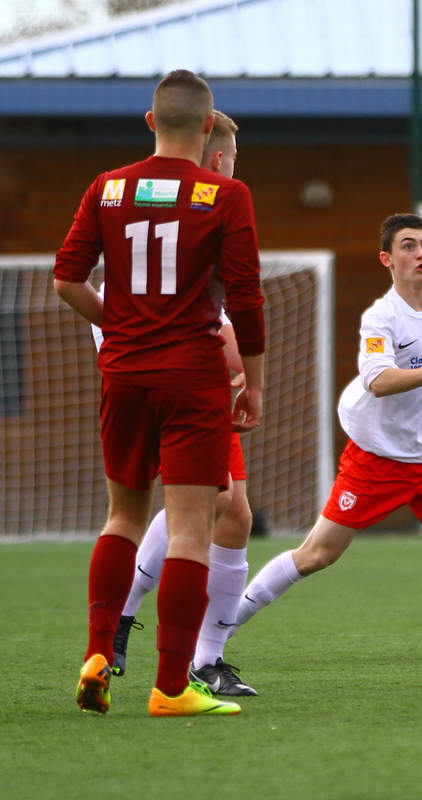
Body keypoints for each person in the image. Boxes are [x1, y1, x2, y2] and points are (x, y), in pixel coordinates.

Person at [55, 69, 264, 716]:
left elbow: (66, 279)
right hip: (194, 377)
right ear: (208, 126)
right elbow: (248, 300)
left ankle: (97, 652)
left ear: (150, 122)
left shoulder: (107, 187)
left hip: (123, 372)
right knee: (191, 532)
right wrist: (252, 383)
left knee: (123, 516)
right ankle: (172, 687)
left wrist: (118, 323)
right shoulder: (225, 194)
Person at [223, 213, 422, 652]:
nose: (421, 254)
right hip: (375, 456)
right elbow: (377, 381)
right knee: (316, 555)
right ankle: (218, 631)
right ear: (387, 258)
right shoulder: (381, 317)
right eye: (408, 246)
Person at [104, 110, 259, 696]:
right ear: (215, 157)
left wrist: (235, 365)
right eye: (232, 159)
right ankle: (186, 664)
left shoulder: (169, 200)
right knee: (197, 512)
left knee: (229, 511)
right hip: (166, 378)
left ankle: (193, 655)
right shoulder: (208, 204)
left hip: (181, 375)